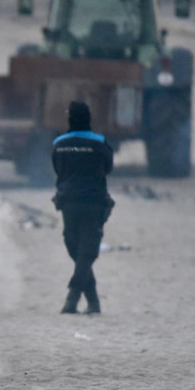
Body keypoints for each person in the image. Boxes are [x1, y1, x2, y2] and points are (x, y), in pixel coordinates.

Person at [52, 101, 114, 314]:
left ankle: (75, 299)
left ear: (70, 118)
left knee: (77, 248)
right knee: (86, 253)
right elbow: (108, 167)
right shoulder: (100, 142)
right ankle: (88, 302)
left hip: (69, 203)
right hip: (93, 204)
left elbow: (56, 168)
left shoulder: (59, 143)